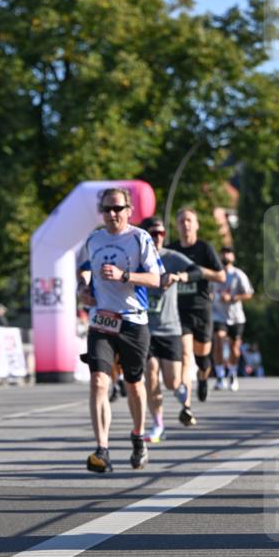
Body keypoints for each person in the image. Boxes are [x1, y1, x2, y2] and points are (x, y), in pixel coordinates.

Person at [76, 187, 163, 472]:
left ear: (129, 210)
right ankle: (102, 450)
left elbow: (155, 278)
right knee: (99, 381)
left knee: (133, 384)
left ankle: (138, 438)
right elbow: (86, 268)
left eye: (117, 209)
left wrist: (125, 275)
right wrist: (84, 288)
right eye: (107, 210)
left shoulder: (140, 238)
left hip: (133, 320)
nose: (112, 214)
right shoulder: (94, 239)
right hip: (101, 319)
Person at [139, 215, 202, 442]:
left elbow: (198, 272)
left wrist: (180, 276)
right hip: (145, 328)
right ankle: (158, 425)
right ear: (145, 236)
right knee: (150, 374)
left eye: (162, 233)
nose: (158, 238)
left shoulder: (171, 258)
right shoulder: (137, 259)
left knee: (172, 381)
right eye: (154, 233)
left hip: (171, 328)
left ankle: (184, 400)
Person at [169, 207, 225, 425]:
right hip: (178, 310)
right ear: (177, 225)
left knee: (202, 357)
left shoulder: (204, 248)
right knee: (185, 355)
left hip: (201, 309)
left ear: (196, 224)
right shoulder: (172, 250)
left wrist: (198, 272)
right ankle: (186, 406)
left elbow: (221, 276)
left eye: (189, 220)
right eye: (181, 221)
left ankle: (204, 376)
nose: (186, 225)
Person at [211, 246, 254, 391]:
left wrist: (233, 297)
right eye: (223, 253)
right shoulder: (214, 274)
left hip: (236, 317)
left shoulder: (238, 274)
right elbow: (207, 292)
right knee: (218, 340)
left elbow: (248, 294)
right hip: (218, 315)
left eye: (228, 253)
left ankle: (233, 374)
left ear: (233, 257)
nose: (226, 256)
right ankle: (219, 375)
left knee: (234, 348)